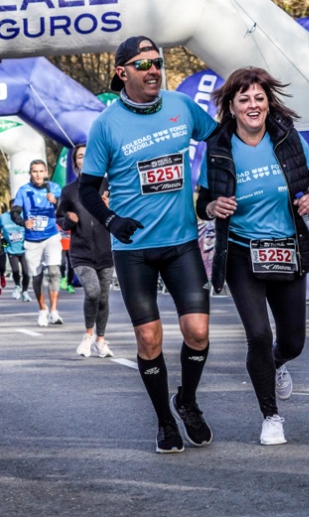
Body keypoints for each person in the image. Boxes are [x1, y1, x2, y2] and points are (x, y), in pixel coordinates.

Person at [79, 35, 218, 454]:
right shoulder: (106, 124)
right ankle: (164, 422)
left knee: (197, 332)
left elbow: (224, 139)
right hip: (134, 249)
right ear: (123, 73)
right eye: (143, 65)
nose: (154, 69)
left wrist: (209, 193)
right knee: (150, 341)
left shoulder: (181, 106)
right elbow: (87, 191)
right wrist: (111, 220)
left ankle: (187, 402)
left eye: (157, 62)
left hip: (182, 242)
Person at [196, 66, 309, 446]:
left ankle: (277, 365)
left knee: (292, 343)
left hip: (288, 248)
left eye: (259, 98)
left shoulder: (287, 138)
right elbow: (202, 202)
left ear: (268, 102)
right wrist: (213, 208)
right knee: (258, 334)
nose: (253, 105)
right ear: (232, 106)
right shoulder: (219, 145)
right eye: (245, 99)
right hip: (241, 251)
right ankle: (271, 416)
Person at [57, 144, 115, 358]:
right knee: (93, 292)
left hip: (105, 251)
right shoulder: (69, 191)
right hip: (81, 252)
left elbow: (120, 214)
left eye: (88, 155)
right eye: (80, 156)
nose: (85, 159)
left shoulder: (107, 185)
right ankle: (88, 335)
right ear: (75, 163)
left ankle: (101, 340)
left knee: (104, 297)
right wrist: (68, 221)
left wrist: (111, 207)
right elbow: (60, 220)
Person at [13, 160, 64, 327]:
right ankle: (43, 309)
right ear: (30, 173)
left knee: (54, 271)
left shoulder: (55, 188)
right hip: (32, 239)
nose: (38, 175)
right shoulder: (23, 190)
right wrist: (23, 222)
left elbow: (65, 208)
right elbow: (15, 213)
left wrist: (55, 202)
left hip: (51, 235)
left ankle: (54, 311)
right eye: (34, 171)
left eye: (41, 171)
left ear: (46, 172)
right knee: (36, 276)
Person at [0, 200, 32, 301]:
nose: (15, 210)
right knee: (15, 270)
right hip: (11, 250)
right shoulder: (3, 217)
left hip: (24, 249)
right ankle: (17, 286)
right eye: (13, 208)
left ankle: (25, 292)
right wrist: (4, 242)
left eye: (17, 208)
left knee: (26, 272)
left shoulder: (25, 216)